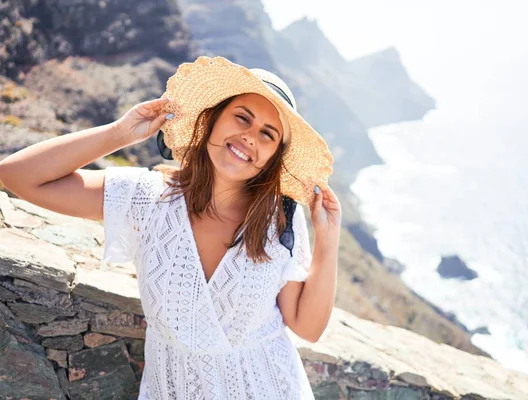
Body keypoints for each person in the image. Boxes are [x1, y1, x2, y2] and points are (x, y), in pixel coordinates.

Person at [0, 56, 341, 399]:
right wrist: (120, 133)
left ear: (271, 158)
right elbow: (18, 176)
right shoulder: (147, 198)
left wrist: (328, 240)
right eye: (242, 117)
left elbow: (307, 327)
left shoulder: (278, 218)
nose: (250, 137)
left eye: (267, 135)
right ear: (212, 118)